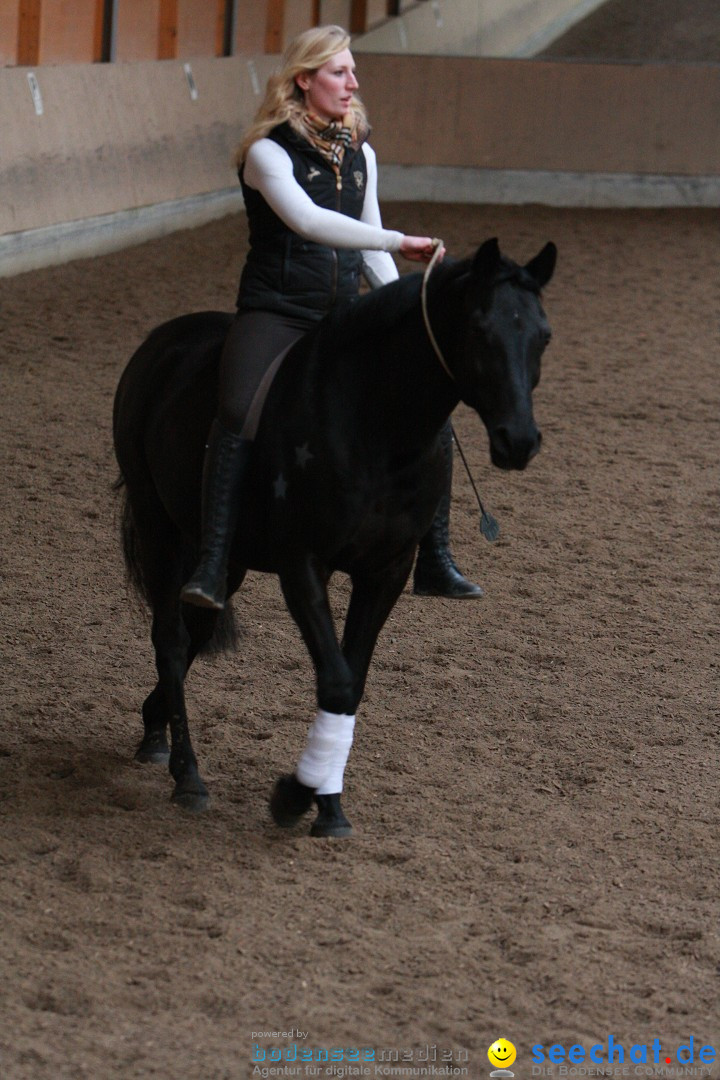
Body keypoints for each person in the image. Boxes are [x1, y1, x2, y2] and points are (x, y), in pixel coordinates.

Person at [180, 24, 482, 610]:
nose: (353, 82)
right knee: (238, 411)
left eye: (352, 71)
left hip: (346, 314)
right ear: (304, 79)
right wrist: (398, 239)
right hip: (278, 312)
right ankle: (212, 563)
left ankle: (436, 556)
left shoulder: (360, 151)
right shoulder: (266, 153)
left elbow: (366, 248)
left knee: (429, 400)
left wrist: (406, 312)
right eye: (339, 72)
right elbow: (310, 223)